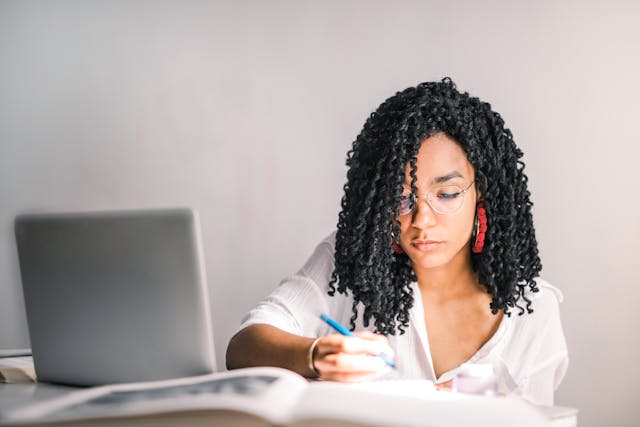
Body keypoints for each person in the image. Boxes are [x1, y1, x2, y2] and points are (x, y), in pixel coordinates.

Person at [226, 78, 568, 406]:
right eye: (400, 198)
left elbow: (530, 405)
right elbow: (243, 346)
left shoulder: (533, 310)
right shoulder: (348, 261)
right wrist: (315, 355)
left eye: (446, 194)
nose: (421, 220)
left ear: (482, 192)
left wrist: (465, 394)